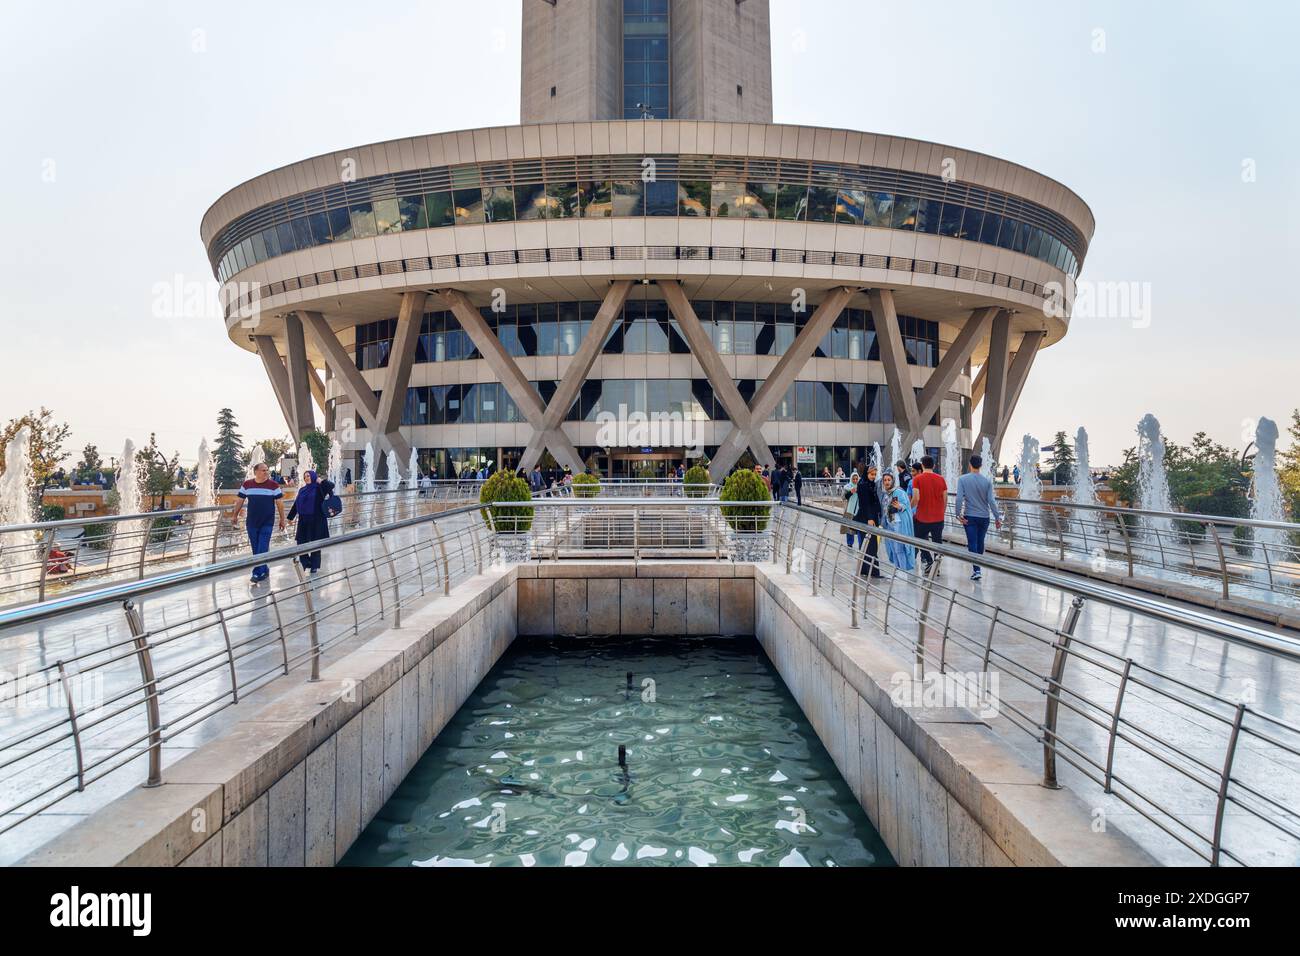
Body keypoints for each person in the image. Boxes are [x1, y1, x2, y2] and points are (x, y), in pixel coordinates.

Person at [229, 462, 285, 585]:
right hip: (252, 522)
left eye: (267, 470)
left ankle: (256, 572)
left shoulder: (273, 485)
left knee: (262, 546)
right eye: (263, 470)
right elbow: (239, 500)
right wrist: (234, 515)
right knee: (256, 548)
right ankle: (264, 569)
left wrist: (282, 519)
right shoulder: (247, 484)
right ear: (256, 472)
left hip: (267, 522)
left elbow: (280, 503)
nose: (266, 472)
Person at [955, 454, 1002, 581]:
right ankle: (978, 567)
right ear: (981, 465)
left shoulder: (963, 479)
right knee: (980, 542)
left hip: (970, 516)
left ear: (970, 464)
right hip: (984, 517)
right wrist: (997, 518)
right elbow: (991, 501)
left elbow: (959, 498)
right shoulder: (987, 481)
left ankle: (977, 570)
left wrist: (957, 514)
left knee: (972, 542)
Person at [909, 455, 947, 573]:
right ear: (934, 465)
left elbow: (916, 498)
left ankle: (930, 562)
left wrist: (908, 509)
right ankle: (936, 567)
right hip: (938, 518)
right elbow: (945, 498)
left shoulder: (917, 479)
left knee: (919, 540)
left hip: (922, 518)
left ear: (922, 465)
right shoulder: (941, 479)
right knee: (937, 543)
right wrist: (942, 512)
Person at [288, 470, 331, 574]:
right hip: (303, 520)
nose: (306, 478)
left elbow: (330, 486)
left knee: (315, 543)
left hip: (317, 520)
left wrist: (320, 481)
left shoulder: (319, 488)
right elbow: (296, 504)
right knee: (300, 543)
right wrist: (290, 517)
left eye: (308, 476)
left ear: (313, 477)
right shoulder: (302, 490)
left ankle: (314, 566)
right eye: (305, 476)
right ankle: (307, 562)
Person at [881, 472, 916, 572]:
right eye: (885, 480)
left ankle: (903, 572)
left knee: (899, 549)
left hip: (899, 524)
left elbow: (906, 505)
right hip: (890, 524)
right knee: (893, 549)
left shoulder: (899, 492)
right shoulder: (886, 494)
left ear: (892, 481)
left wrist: (899, 506)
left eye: (889, 480)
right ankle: (897, 571)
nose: (887, 482)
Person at [853, 463, 883, 578]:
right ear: (866, 473)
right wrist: (870, 518)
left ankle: (865, 570)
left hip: (869, 517)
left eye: (875, 474)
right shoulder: (864, 485)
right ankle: (873, 572)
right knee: (871, 545)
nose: (873, 476)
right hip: (867, 518)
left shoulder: (868, 483)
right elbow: (865, 504)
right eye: (871, 474)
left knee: (868, 544)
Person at [841, 468, 863, 548]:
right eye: (853, 479)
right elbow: (843, 497)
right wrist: (851, 492)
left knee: (858, 528)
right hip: (849, 510)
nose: (855, 480)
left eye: (856, 479)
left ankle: (861, 544)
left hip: (858, 511)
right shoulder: (847, 487)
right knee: (849, 528)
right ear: (851, 479)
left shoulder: (861, 487)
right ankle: (850, 543)